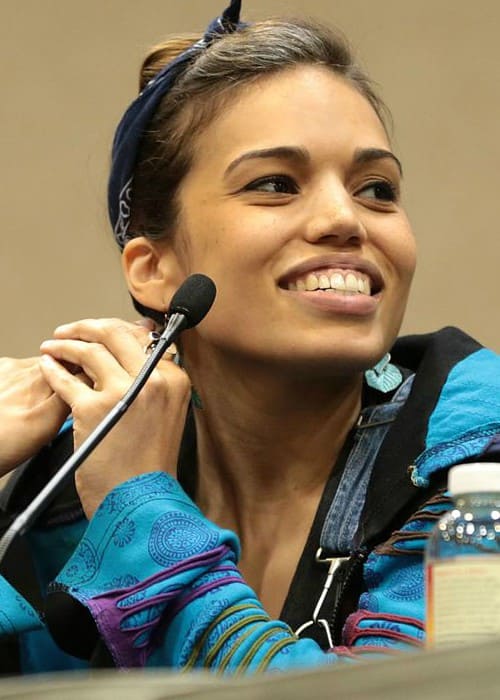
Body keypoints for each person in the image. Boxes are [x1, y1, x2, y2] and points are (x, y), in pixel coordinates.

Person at [0, 0, 499, 675]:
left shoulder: (477, 470)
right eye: (275, 184)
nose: (344, 218)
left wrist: (143, 510)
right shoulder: (65, 486)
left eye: (377, 189)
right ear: (155, 270)